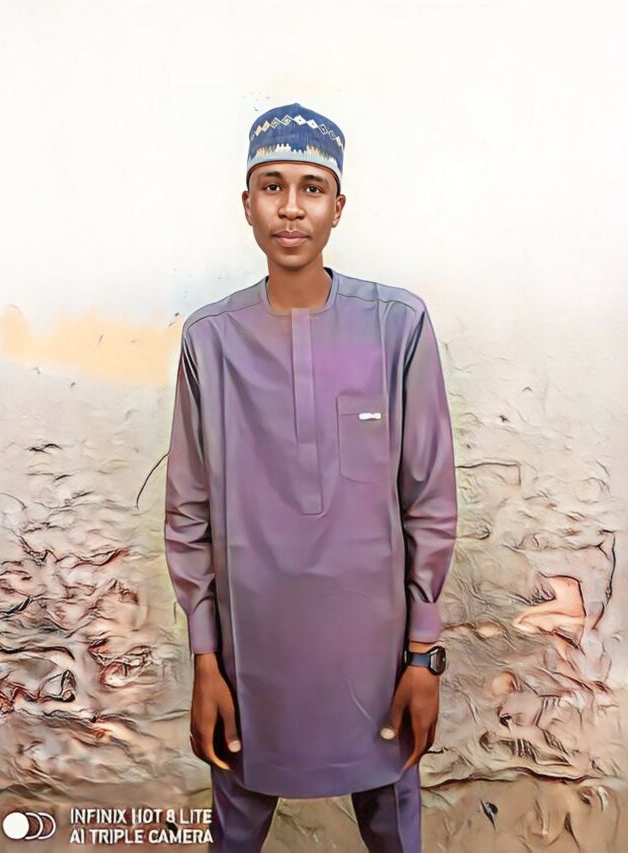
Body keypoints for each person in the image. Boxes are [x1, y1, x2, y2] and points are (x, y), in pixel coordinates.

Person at [163, 102, 458, 852]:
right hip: (252, 658)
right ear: (247, 204)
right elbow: (188, 512)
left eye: (311, 188)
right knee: (235, 829)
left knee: (393, 825)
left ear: (338, 207)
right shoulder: (210, 341)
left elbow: (428, 501)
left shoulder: (397, 326)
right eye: (272, 186)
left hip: (377, 658)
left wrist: (422, 654)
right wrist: (206, 659)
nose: (291, 208)